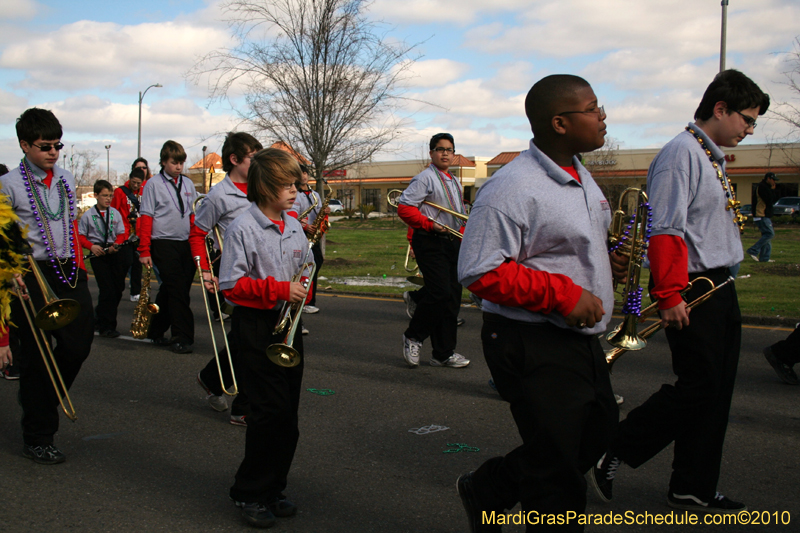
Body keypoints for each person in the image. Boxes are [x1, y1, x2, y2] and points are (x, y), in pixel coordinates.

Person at [591, 69, 770, 514]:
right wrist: (669, 293)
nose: (750, 129)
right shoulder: (680, 154)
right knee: (699, 386)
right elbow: (667, 229)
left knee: (717, 393)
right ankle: (614, 447)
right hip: (692, 287)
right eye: (747, 119)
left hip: (719, 284)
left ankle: (693, 487)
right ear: (720, 109)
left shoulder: (710, 157)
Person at [455, 75, 622, 532]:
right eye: (593, 108)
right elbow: (479, 269)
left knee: (598, 432)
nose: (603, 115)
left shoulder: (581, 174)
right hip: (530, 338)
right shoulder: (511, 188)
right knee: (560, 473)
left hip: (580, 337)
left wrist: (608, 266)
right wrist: (564, 295)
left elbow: (569, 249)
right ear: (560, 123)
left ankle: (491, 487)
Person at [218, 148, 311, 528]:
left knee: (288, 414)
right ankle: (249, 491)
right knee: (267, 412)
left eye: (294, 184)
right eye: (287, 185)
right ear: (266, 187)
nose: (294, 191)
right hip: (256, 326)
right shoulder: (242, 227)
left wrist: (302, 283)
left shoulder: (293, 224)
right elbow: (230, 286)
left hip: (288, 326)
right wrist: (278, 289)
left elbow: (304, 265)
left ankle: (274, 486)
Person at [0, 107, 94, 464]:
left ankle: (39, 398)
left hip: (68, 269)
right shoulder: (8, 185)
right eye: (44, 146)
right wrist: (11, 271)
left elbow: (68, 226)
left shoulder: (67, 179)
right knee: (39, 355)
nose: (53, 152)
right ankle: (38, 434)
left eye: (57, 145)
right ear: (25, 145)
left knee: (78, 344)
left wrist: (80, 265)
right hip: (29, 272)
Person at [190, 131, 262, 424]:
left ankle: (211, 378)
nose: (258, 162)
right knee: (251, 341)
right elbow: (197, 233)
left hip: (267, 271)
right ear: (234, 160)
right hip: (237, 275)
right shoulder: (219, 195)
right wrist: (205, 271)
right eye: (253, 158)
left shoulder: (263, 185)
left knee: (247, 337)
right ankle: (243, 407)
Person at [396, 133, 469, 368]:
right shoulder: (425, 178)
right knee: (440, 292)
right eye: (440, 149)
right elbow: (405, 208)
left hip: (452, 240)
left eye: (449, 149)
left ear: (454, 154)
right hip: (429, 239)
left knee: (452, 297)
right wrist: (429, 224)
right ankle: (413, 336)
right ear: (431, 153)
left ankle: (443, 353)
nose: (445, 153)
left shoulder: (455, 181)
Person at [137, 140, 199, 354]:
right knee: (177, 289)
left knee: (171, 290)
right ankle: (182, 336)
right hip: (162, 242)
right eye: (174, 163)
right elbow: (146, 217)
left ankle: (155, 328)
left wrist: (195, 242)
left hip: (185, 243)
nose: (179, 167)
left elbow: (192, 215)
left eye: (181, 163)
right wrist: (144, 250)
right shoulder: (153, 184)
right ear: (164, 162)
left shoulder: (188, 184)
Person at [79, 180, 127, 337]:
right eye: (104, 196)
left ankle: (98, 316)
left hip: (113, 252)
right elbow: (80, 235)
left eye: (110, 196)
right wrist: (91, 246)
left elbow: (121, 232)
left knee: (117, 288)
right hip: (98, 254)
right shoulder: (88, 216)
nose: (108, 199)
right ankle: (107, 326)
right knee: (107, 290)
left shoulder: (115, 213)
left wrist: (117, 244)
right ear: (96, 196)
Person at [288, 164, 327, 318]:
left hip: (313, 236)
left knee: (314, 265)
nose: (304, 176)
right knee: (304, 268)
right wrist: (305, 226)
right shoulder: (294, 194)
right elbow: (293, 216)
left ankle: (309, 300)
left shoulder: (314, 194)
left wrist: (325, 212)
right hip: (302, 235)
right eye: (301, 173)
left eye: (305, 173)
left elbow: (319, 211)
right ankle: (304, 301)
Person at [112, 162, 147, 301]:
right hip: (124, 233)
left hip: (137, 234)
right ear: (129, 179)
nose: (136, 186)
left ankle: (136, 292)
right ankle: (117, 287)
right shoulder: (120, 192)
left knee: (137, 264)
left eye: (139, 183)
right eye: (134, 182)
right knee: (125, 262)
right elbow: (114, 211)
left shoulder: (143, 192)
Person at [746, 172, 778, 263]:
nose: (774, 182)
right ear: (768, 178)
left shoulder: (764, 187)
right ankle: (753, 250)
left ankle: (764, 258)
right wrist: (772, 190)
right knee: (769, 234)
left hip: (764, 215)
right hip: (761, 215)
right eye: (773, 180)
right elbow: (769, 200)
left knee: (766, 236)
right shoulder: (762, 187)